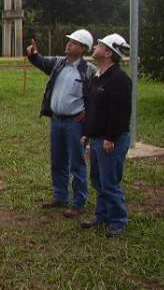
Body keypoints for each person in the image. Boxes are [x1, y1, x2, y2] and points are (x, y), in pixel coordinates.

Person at [27, 30, 96, 218]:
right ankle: (60, 197)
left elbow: (97, 96)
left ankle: (79, 202)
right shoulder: (59, 63)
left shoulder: (88, 70)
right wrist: (33, 54)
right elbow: (42, 62)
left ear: (82, 48)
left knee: (77, 162)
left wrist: (88, 113)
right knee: (57, 161)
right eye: (69, 41)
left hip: (75, 124)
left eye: (73, 42)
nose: (68, 44)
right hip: (57, 121)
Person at [81, 33, 132, 237]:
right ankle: (101, 216)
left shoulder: (119, 79)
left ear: (109, 53)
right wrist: (87, 133)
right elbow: (93, 108)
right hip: (95, 138)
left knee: (110, 181)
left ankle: (118, 220)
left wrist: (111, 137)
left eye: (100, 45)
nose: (95, 47)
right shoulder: (98, 76)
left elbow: (120, 112)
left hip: (111, 140)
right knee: (98, 180)